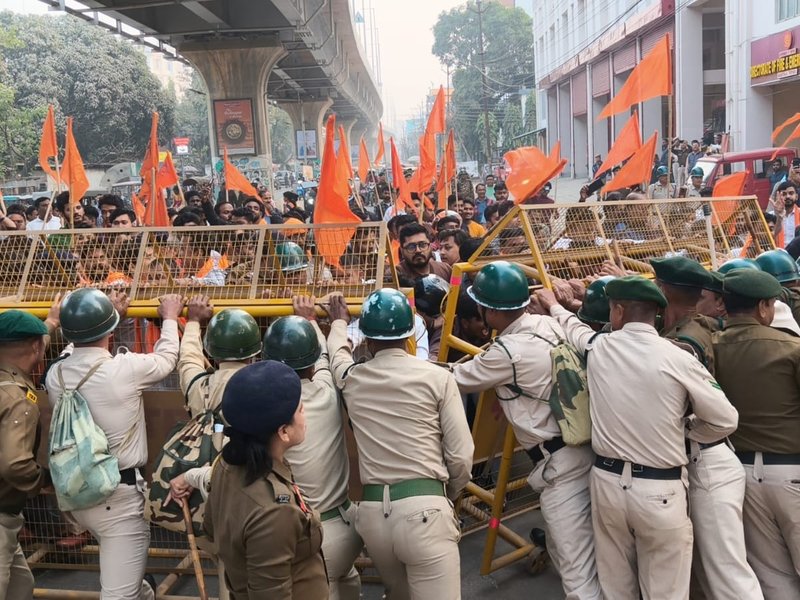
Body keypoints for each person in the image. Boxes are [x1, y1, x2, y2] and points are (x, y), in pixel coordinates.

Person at [536, 276, 738, 600]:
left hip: (607, 483)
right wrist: (686, 432)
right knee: (665, 590)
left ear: (616, 311)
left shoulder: (598, 347)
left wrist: (553, 304)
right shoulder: (677, 357)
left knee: (617, 586)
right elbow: (726, 418)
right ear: (656, 314)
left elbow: (572, 327)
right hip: (661, 489)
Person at [450, 262, 602, 600]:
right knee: (599, 557)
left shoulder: (507, 352)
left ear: (486, 309)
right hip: (591, 453)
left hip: (562, 468)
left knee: (576, 571)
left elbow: (450, 379)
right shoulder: (550, 323)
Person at [326, 289, 473, 599]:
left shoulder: (352, 378)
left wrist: (338, 323)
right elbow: (461, 455)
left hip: (373, 517)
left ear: (366, 337)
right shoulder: (438, 377)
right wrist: (445, 494)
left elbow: (337, 355)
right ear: (410, 334)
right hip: (426, 512)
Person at [45, 288, 184, 600]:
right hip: (117, 501)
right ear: (109, 329)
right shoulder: (124, 369)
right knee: (119, 595)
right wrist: (171, 317)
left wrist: (108, 317)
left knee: (131, 585)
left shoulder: (56, 374)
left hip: (74, 495)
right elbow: (167, 359)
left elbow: (72, 350)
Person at [650, 256, 763, 599]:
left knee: (726, 573)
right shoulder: (690, 326)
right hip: (700, 459)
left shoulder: (687, 340)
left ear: (665, 290)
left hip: (708, 461)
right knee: (706, 570)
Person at [263, 297, 363, 600]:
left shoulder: (271, 411)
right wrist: (318, 321)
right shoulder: (327, 388)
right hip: (349, 522)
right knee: (346, 582)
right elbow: (324, 357)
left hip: (313, 535)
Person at [203, 360, 329, 599]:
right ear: (283, 431)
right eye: (300, 410)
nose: (305, 414)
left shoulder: (228, 465)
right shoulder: (274, 510)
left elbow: (211, 528)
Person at [712, 268, 800, 599]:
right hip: (792, 470)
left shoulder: (712, 347)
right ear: (764, 306)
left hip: (741, 473)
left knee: (773, 575)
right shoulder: (789, 347)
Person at [0, 301, 60, 598]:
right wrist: (46, 481)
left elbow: (28, 346)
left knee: (20, 586)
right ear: (36, 347)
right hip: (1, 515)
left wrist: (50, 322)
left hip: (8, 520)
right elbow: (14, 465)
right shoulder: (18, 398)